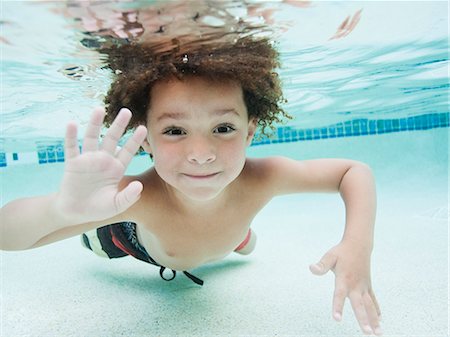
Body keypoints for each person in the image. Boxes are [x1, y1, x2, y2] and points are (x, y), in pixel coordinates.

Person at [0, 35, 381, 336]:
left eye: (223, 128)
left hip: (227, 233)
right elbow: (8, 235)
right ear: (146, 140)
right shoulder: (134, 198)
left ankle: (238, 236)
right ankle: (224, 236)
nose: (201, 154)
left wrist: (357, 246)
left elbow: (354, 172)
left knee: (242, 245)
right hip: (134, 242)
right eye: (175, 131)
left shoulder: (265, 177)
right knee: (94, 243)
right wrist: (60, 212)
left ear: (249, 132)